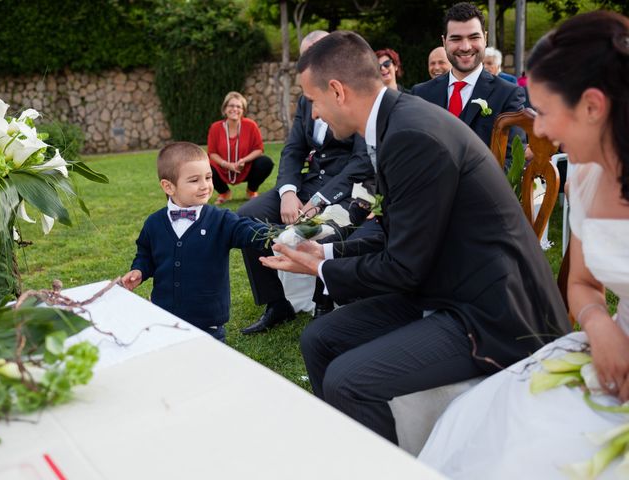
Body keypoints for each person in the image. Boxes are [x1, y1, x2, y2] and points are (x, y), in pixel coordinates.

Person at [260, 30, 569, 444]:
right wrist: (325, 250)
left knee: (348, 380)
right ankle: (351, 452)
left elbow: (403, 267)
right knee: (319, 338)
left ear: (337, 91)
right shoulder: (397, 121)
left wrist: (321, 267)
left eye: (313, 101)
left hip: (489, 309)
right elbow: (398, 231)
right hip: (443, 281)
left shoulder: (410, 134)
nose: (313, 114)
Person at [419, 11, 629, 478]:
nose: (542, 133)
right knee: (481, 428)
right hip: (609, 352)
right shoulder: (585, 180)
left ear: (593, 106)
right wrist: (600, 324)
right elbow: (581, 283)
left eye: (547, 113)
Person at [237, 30, 374, 335]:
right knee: (246, 219)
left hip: (347, 191)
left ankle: (322, 305)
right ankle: (276, 303)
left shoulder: (356, 96)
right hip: (307, 185)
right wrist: (287, 192)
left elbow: (362, 162)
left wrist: (319, 202)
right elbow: (294, 149)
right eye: (305, 56)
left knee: (322, 230)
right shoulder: (305, 100)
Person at [121, 142, 268, 342]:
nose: (205, 185)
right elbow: (146, 254)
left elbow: (247, 230)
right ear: (168, 186)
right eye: (194, 180)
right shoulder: (154, 223)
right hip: (164, 319)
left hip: (208, 323)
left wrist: (279, 235)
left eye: (208, 177)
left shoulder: (221, 220)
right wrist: (139, 270)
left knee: (207, 370)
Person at [411, 2, 525, 148]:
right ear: (444, 42)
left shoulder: (508, 95)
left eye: (473, 37)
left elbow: (512, 160)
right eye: (456, 39)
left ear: (484, 38)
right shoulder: (421, 94)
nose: (465, 47)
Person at [207, 91, 274, 205]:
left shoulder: (250, 125)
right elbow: (212, 153)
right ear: (225, 109)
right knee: (205, 168)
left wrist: (244, 160)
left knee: (265, 162)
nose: (235, 109)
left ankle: (251, 191)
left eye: (239, 106)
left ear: (243, 111)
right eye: (231, 105)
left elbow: (259, 149)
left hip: (245, 167)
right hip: (223, 168)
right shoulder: (215, 127)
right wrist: (227, 164)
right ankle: (224, 192)